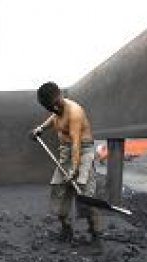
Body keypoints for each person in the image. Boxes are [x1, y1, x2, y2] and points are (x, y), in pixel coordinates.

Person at [29, 82, 102, 251]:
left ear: (61, 95)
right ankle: (66, 229)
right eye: (51, 107)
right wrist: (40, 129)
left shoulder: (74, 112)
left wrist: (74, 170)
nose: (55, 109)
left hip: (82, 152)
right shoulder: (56, 110)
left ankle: (96, 235)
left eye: (57, 105)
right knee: (59, 191)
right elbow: (54, 118)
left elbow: (76, 144)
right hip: (65, 152)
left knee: (85, 194)